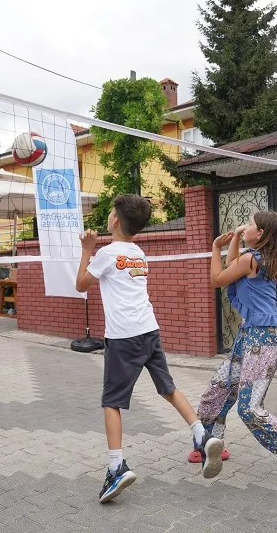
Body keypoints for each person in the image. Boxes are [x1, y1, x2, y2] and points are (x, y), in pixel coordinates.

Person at [76, 194, 224, 503]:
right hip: (149, 331)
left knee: (111, 401)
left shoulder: (104, 254)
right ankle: (202, 435)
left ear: (114, 220)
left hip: (123, 337)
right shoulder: (139, 253)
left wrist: (86, 250)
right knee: (168, 388)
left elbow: (80, 284)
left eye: (111, 212)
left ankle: (116, 467)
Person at [193, 211, 277, 484]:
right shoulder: (256, 257)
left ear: (262, 235)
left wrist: (215, 247)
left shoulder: (251, 259)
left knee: (250, 409)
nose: (245, 227)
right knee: (218, 389)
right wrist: (233, 239)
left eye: (251, 225)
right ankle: (209, 445)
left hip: (264, 338)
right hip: (251, 334)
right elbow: (233, 266)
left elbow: (218, 279)